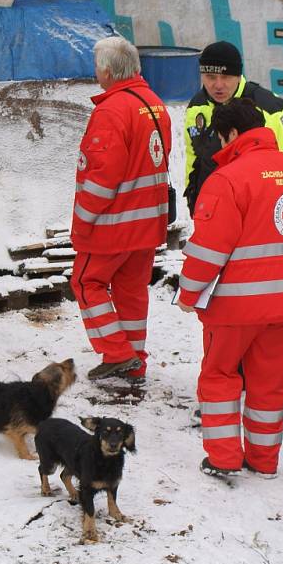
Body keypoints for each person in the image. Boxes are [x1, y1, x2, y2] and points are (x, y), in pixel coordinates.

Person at [176, 98, 283, 478]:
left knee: (220, 376)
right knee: (269, 383)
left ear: (232, 134)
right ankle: (264, 461)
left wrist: (189, 293)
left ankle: (224, 459)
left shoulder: (226, 179)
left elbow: (209, 248)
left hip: (235, 309)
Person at [70, 36, 172, 381]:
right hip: (148, 223)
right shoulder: (154, 104)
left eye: (97, 66)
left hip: (113, 225)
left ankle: (117, 352)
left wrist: (82, 224)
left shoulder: (112, 111)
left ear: (108, 71)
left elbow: (101, 178)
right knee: (131, 290)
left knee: (86, 282)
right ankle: (135, 360)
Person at [183, 40, 283, 217]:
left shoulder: (269, 106)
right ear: (201, 75)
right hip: (212, 210)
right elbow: (194, 158)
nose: (218, 85)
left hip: (258, 212)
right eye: (211, 77)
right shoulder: (196, 107)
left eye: (226, 77)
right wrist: (194, 198)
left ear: (238, 76)